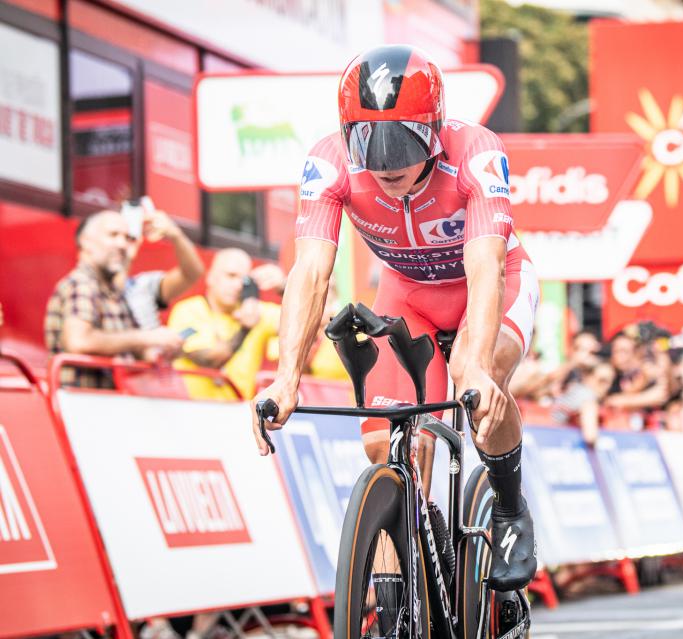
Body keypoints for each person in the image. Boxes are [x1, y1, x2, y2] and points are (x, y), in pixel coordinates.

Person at [252, 44, 540, 591]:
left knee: (482, 379)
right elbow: (310, 272)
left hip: (491, 287)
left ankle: (507, 504)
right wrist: (286, 377)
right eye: (367, 140)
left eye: (402, 140)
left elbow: (485, 270)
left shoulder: (476, 150)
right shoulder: (328, 161)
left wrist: (473, 364)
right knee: (383, 444)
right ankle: (414, 548)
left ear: (433, 130)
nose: (385, 162)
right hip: (408, 298)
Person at [45, 211, 183, 388]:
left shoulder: (114, 293)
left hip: (108, 404)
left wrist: (163, 348)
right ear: (86, 242)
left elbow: (134, 348)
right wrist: (147, 337)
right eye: (113, 235)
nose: (122, 244)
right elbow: (79, 342)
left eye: (127, 238)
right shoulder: (81, 284)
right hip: (82, 404)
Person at [167, 249, 285, 399]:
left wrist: (283, 286)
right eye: (230, 276)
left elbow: (309, 321)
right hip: (190, 412)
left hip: (238, 415)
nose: (237, 285)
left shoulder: (256, 311)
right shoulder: (189, 310)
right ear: (210, 277)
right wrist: (245, 329)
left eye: (244, 280)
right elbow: (210, 360)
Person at [121, 203, 204, 329]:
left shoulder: (141, 285)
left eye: (130, 237)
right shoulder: (89, 290)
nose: (120, 244)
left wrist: (175, 234)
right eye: (113, 235)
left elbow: (192, 273)